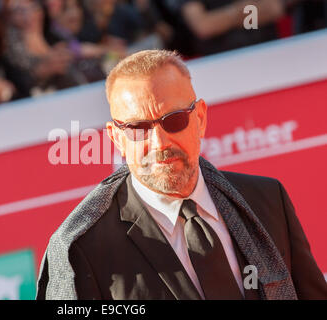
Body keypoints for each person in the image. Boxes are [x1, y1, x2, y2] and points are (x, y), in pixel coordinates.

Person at [37, 50, 327, 300]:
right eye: (139, 128)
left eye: (173, 120)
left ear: (199, 118)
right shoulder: (82, 248)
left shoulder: (265, 199)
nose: (160, 143)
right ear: (117, 139)